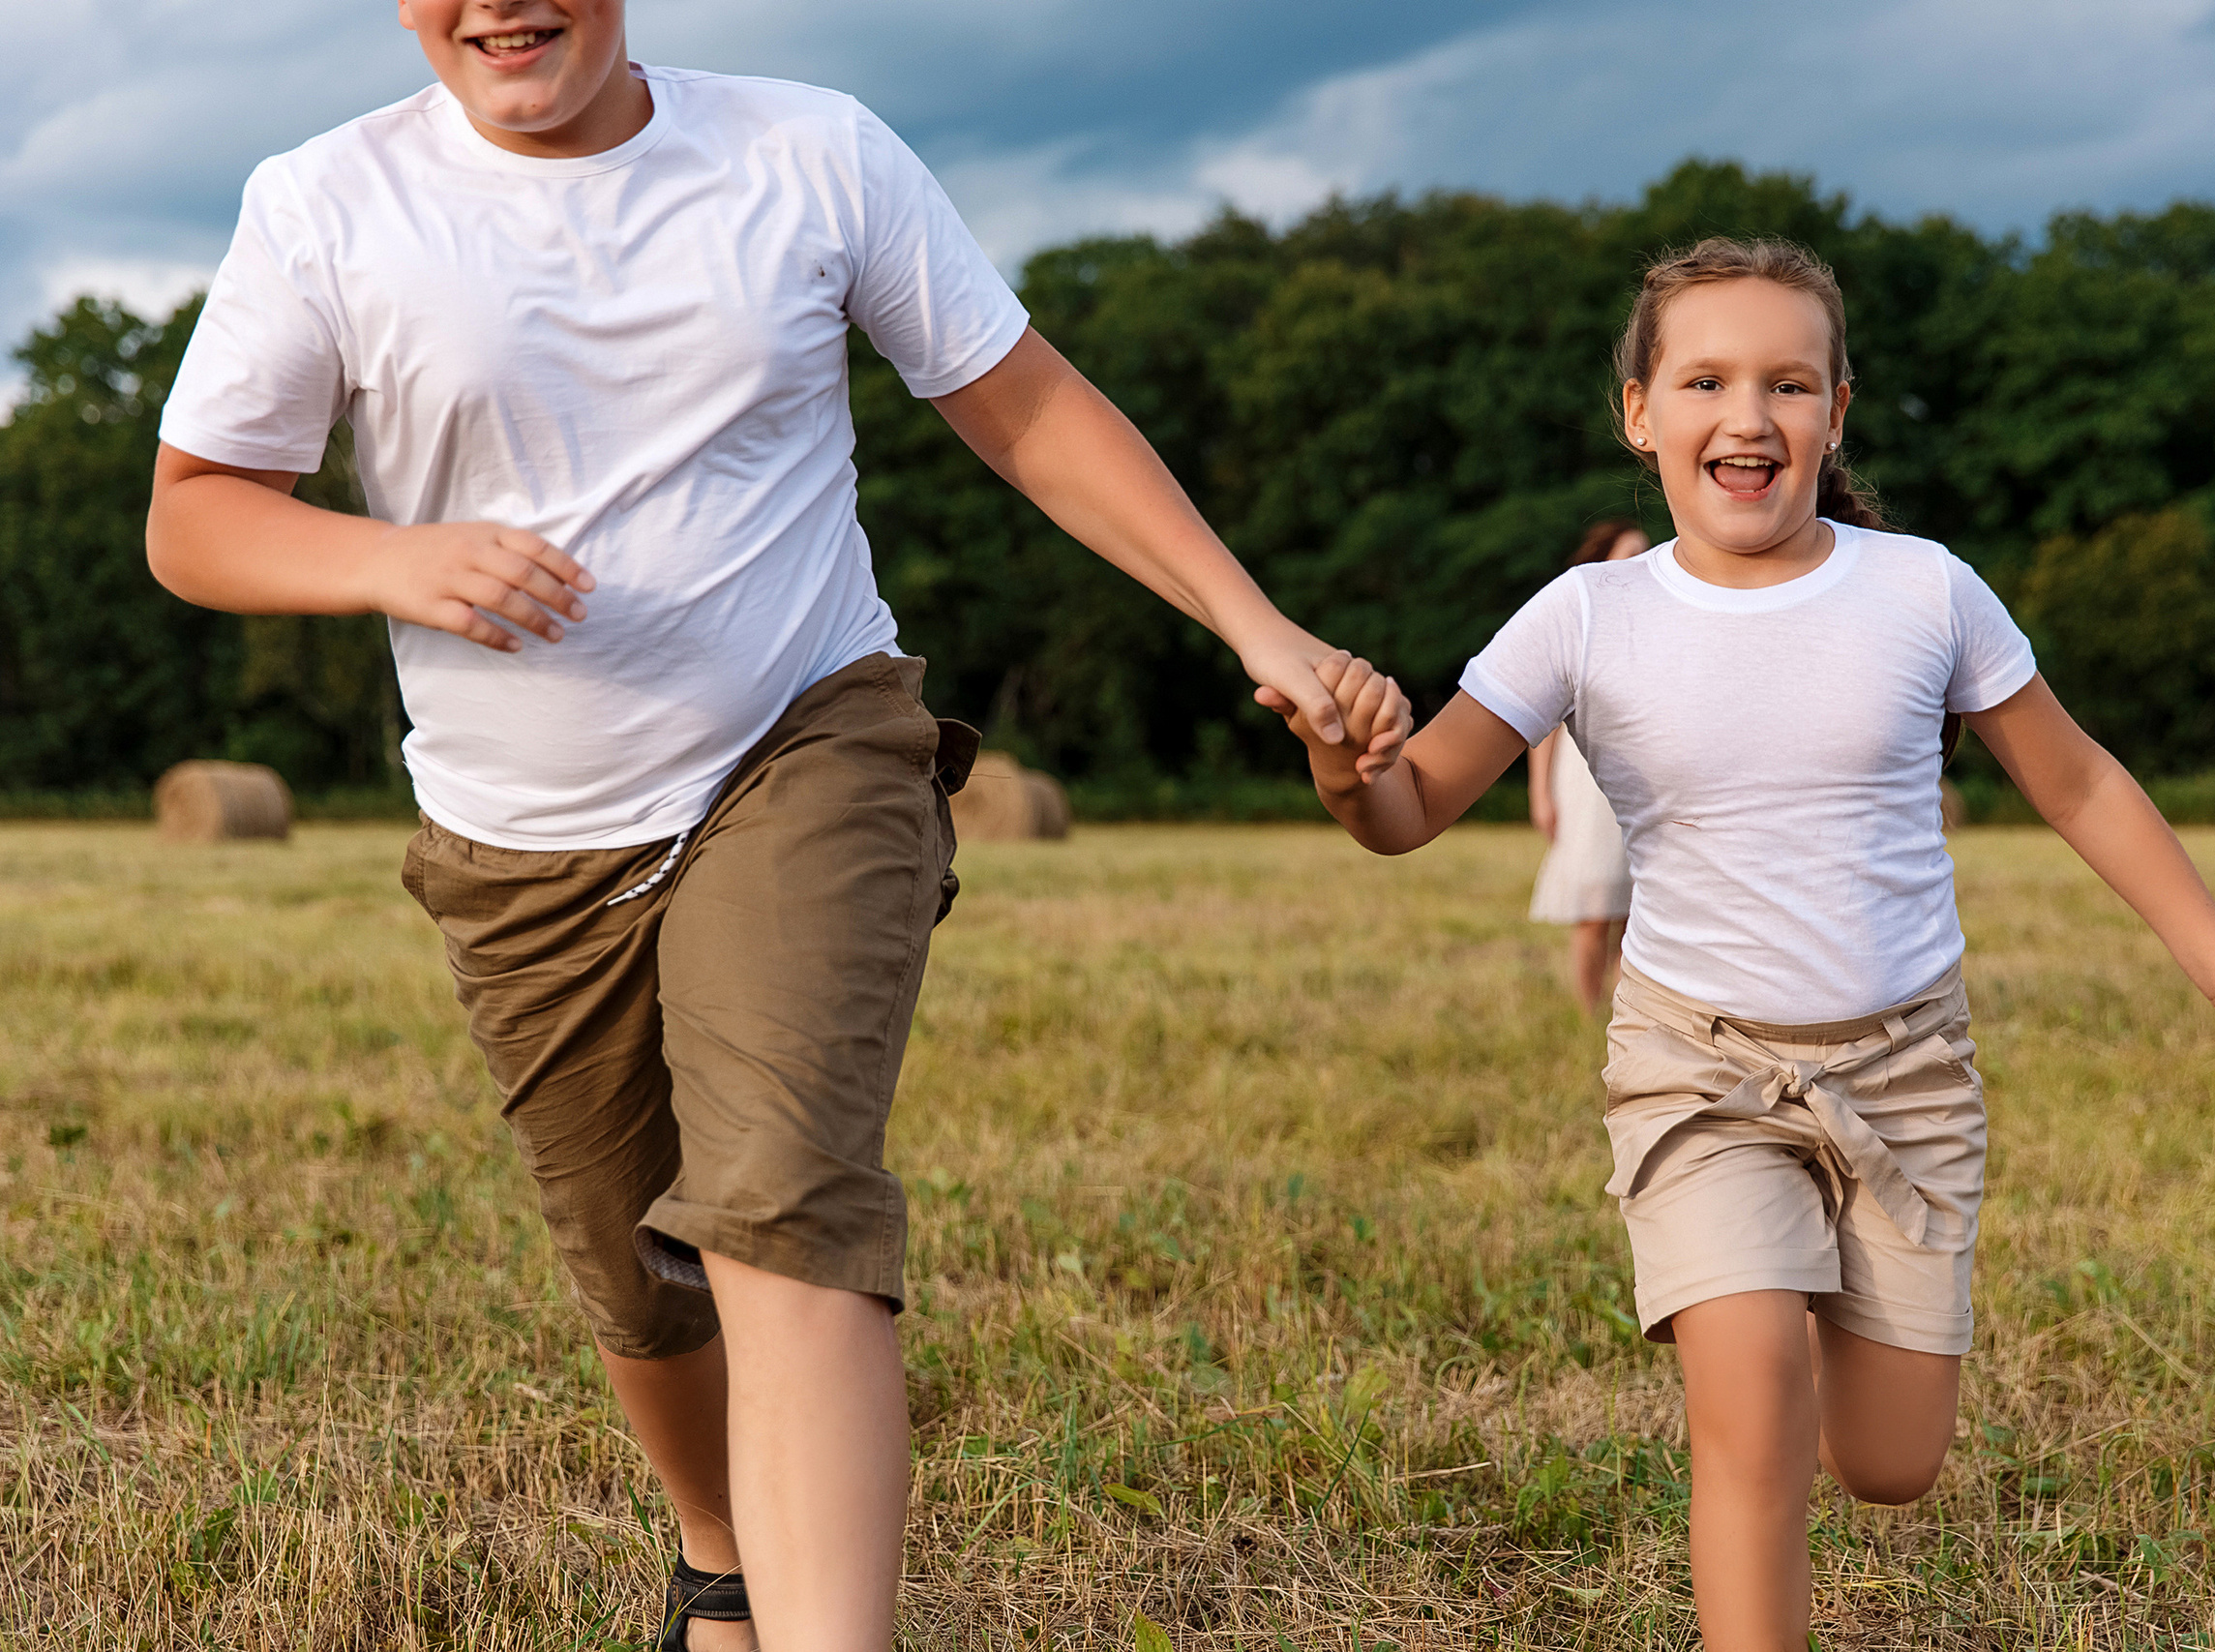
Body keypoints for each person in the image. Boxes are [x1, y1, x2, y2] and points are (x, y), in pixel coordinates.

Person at [142, 6, 1408, 1650]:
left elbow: (1025, 410)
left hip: (804, 738)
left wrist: (1261, 631)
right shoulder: (327, 202)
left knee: (783, 1199)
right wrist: (385, 559)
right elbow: (195, 512)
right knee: (639, 1276)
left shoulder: (810, 152)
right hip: (521, 835)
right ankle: (721, 1558)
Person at [1274, 237, 2215, 1652]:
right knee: (1754, 1410)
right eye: (1706, 378)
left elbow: (2079, 781)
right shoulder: (1586, 616)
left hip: (1907, 1067)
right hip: (1699, 1066)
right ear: (1639, 411)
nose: (1748, 414)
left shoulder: (1926, 591)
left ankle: (1859, 1336)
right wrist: (1350, 768)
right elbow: (1410, 808)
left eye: (1789, 381)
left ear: (1837, 411)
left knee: (1888, 1461)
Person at [1527, 522, 1651, 1007]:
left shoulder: (1657, 626)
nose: (1641, 562)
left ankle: (1624, 1014)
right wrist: (1541, 795)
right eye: (1630, 553)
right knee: (1594, 906)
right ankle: (1585, 1012)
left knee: (1635, 912)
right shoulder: (1574, 623)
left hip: (1639, 780)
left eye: (1646, 553)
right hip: (1583, 783)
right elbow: (1544, 722)